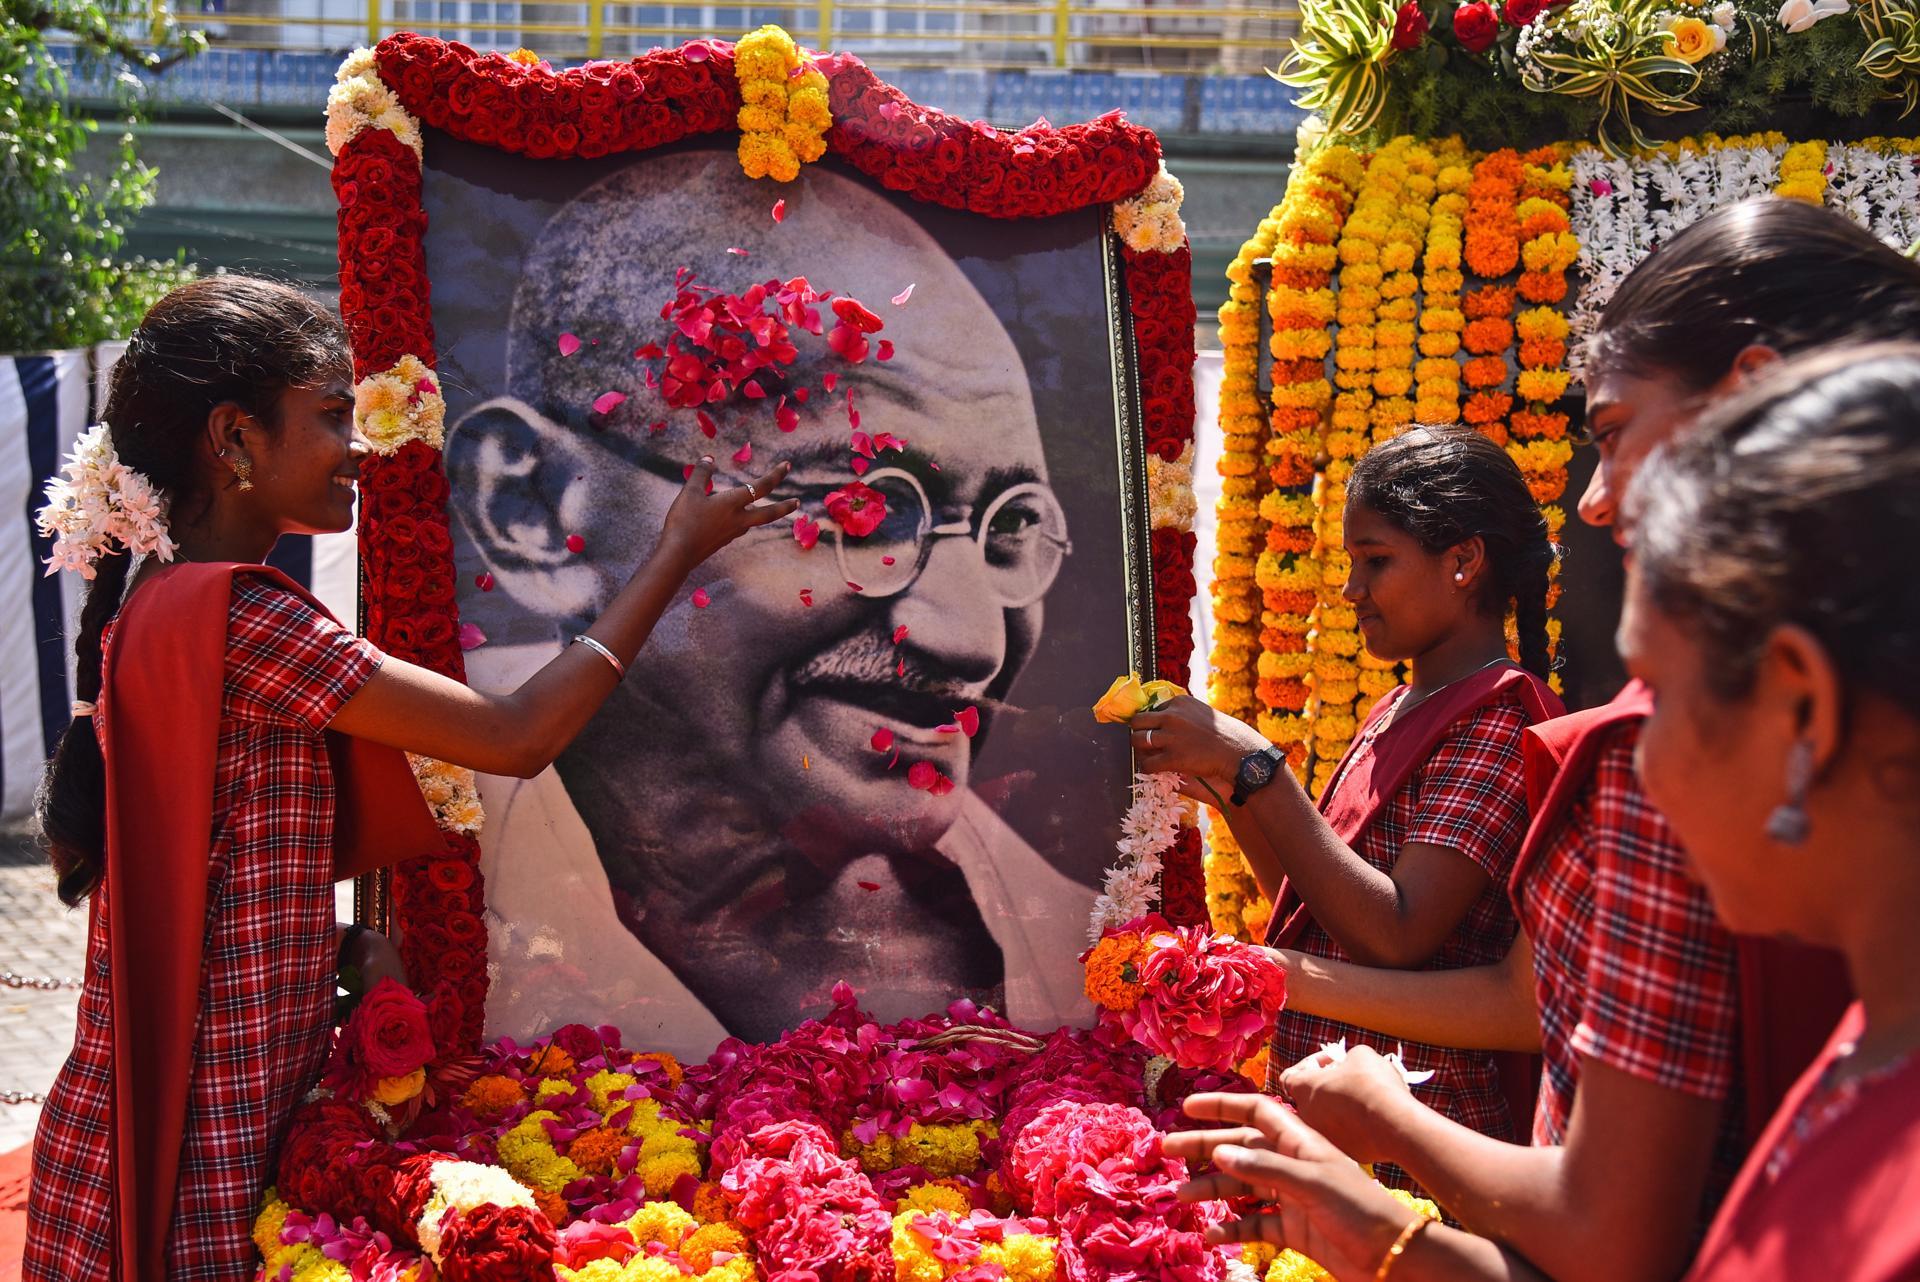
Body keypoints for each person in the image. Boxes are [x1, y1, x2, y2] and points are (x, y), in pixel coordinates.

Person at [23, 275, 791, 1281]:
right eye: (331, 417)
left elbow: (206, 870)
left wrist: (334, 941)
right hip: (195, 1138)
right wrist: (674, 551)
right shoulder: (248, 620)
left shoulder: (167, 607)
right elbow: (517, 735)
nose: (360, 445)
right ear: (234, 439)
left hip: (155, 1115)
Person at [1255, 197, 1920, 1282]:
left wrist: (1381, 1126)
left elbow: (1412, 942)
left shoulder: (1529, 725)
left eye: (1610, 437)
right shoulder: (1866, 1059)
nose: (1601, 502)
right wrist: (1384, 1236)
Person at [442, 146, 1113, 1051]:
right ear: (528, 511)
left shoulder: (1076, 959)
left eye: (1007, 530)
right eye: (857, 507)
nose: (972, 643)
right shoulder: (441, 850)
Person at [1130, 425, 1562, 1159]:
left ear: (1463, 562)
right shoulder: (1398, 708)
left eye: (1375, 561)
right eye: (1351, 561)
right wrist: (1238, 794)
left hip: (1422, 1131)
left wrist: (1261, 769)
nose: (1351, 589)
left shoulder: (1495, 719)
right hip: (1339, 1108)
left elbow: (1397, 933)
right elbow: (1316, 912)